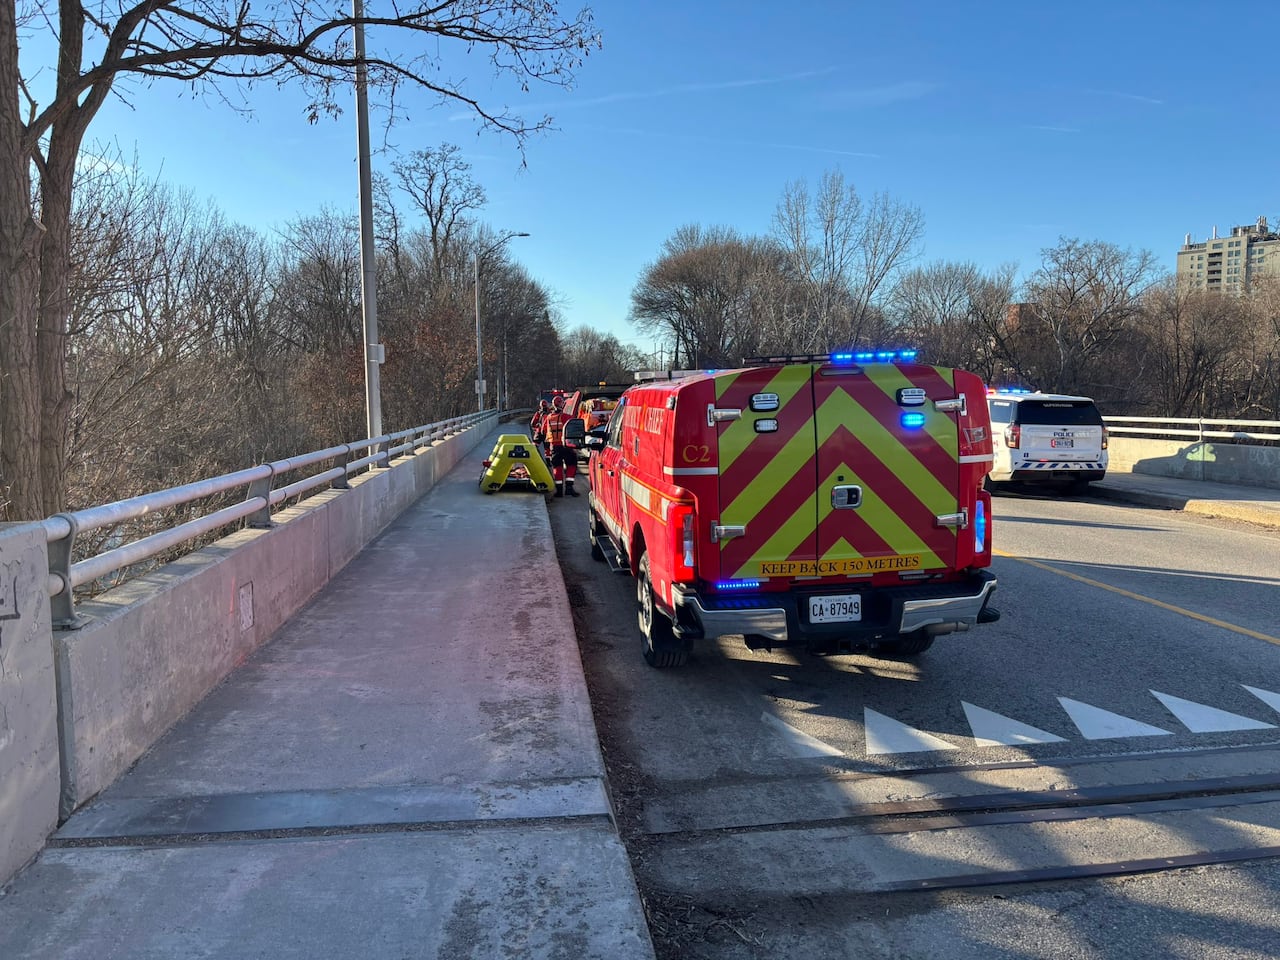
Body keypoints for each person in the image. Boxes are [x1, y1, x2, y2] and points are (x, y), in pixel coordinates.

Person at [541, 394, 579, 497]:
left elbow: (543, 431)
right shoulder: (566, 416)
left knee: (557, 467)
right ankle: (569, 488)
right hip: (565, 445)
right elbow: (574, 427)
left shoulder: (548, 418)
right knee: (571, 464)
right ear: (562, 405)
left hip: (554, 446)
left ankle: (559, 491)